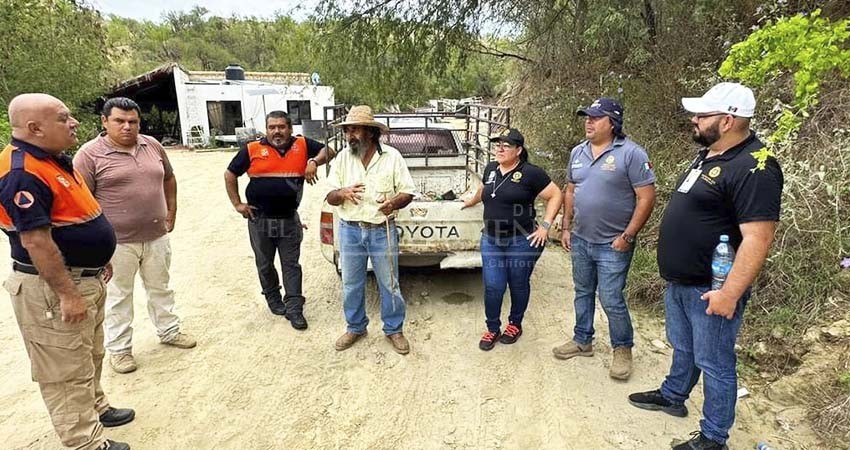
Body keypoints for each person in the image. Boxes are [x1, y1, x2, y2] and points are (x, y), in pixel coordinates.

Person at [628, 83, 783, 450]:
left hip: (711, 288)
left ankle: (714, 437)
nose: (693, 121)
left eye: (701, 115)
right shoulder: (711, 155)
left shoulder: (754, 167)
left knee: (715, 363)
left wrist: (730, 293)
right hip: (682, 281)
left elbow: (758, 239)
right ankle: (673, 394)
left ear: (728, 120)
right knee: (684, 347)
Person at [0, 93, 133, 450]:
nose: (73, 122)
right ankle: (85, 443)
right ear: (35, 128)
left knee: (89, 353)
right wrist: (67, 294)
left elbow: (76, 217)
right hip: (54, 288)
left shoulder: (52, 160)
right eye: (63, 118)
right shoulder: (21, 174)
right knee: (64, 371)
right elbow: (36, 242)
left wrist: (97, 258)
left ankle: (97, 406)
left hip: (84, 277)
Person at [74, 97, 196, 375]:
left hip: (156, 235)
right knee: (118, 296)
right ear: (104, 122)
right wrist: (93, 241)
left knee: (161, 287)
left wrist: (171, 211)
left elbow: (169, 178)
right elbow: (80, 200)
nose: (127, 127)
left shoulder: (152, 145)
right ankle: (120, 350)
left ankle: (169, 331)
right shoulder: (89, 155)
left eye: (133, 121)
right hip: (116, 242)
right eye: (120, 121)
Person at [552, 98, 657, 380]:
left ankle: (622, 349)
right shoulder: (577, 152)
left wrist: (628, 235)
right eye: (586, 117)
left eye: (596, 118)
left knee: (611, 298)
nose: (588, 122)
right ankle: (582, 340)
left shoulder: (631, 154)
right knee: (582, 291)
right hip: (581, 238)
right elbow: (571, 190)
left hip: (614, 242)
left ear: (613, 123)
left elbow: (646, 198)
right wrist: (566, 227)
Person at [224, 110, 329, 329]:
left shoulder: (301, 144)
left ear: (290, 128)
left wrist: (313, 161)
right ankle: (273, 297)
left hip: (289, 220)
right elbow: (230, 174)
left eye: (281, 127)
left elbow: (330, 150)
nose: (277, 131)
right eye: (272, 127)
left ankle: (294, 308)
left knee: (291, 264)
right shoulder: (252, 149)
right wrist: (238, 204)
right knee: (264, 263)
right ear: (266, 129)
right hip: (259, 219)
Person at [325, 105, 415, 355]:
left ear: (371, 132)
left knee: (390, 283)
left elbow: (407, 192)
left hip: (381, 230)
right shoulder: (343, 158)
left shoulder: (393, 157)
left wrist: (393, 203)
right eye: (347, 131)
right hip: (349, 230)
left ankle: (394, 329)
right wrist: (342, 193)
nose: (349, 135)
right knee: (352, 283)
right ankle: (355, 327)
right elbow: (330, 196)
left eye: (354, 130)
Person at [462, 128, 562, 351]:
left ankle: (515, 324)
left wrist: (545, 226)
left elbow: (556, 195)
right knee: (493, 286)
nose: (499, 148)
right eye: (497, 144)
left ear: (518, 150)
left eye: (506, 145)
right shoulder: (490, 168)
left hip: (522, 241)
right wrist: (471, 201)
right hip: (491, 240)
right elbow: (484, 189)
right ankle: (492, 327)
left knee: (517, 284)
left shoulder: (531, 173)